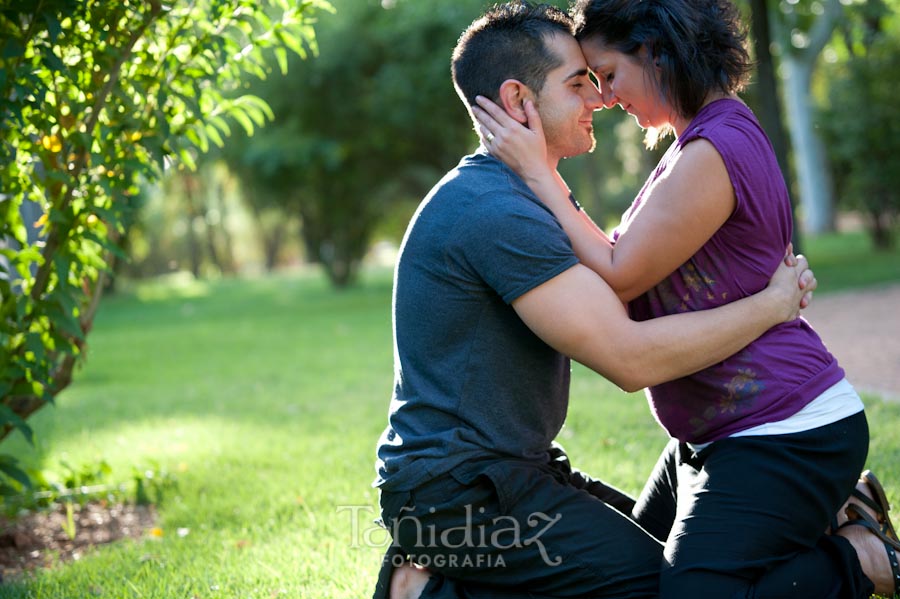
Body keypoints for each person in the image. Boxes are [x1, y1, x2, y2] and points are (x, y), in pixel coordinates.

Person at [371, 3, 820, 599]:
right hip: (461, 498)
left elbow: (614, 281)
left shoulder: (512, 195)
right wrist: (770, 306)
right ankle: (429, 588)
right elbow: (629, 359)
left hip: (504, 476)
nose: (601, 100)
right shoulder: (495, 212)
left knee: (680, 559)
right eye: (579, 83)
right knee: (664, 590)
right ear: (518, 99)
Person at [471, 0, 899, 597]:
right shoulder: (691, 143)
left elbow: (619, 275)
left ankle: (862, 558)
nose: (607, 98)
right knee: (628, 582)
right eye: (592, 82)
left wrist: (541, 172)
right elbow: (616, 259)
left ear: (654, 50)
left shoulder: (712, 151)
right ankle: (830, 516)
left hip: (784, 429)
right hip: (714, 437)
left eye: (610, 76)